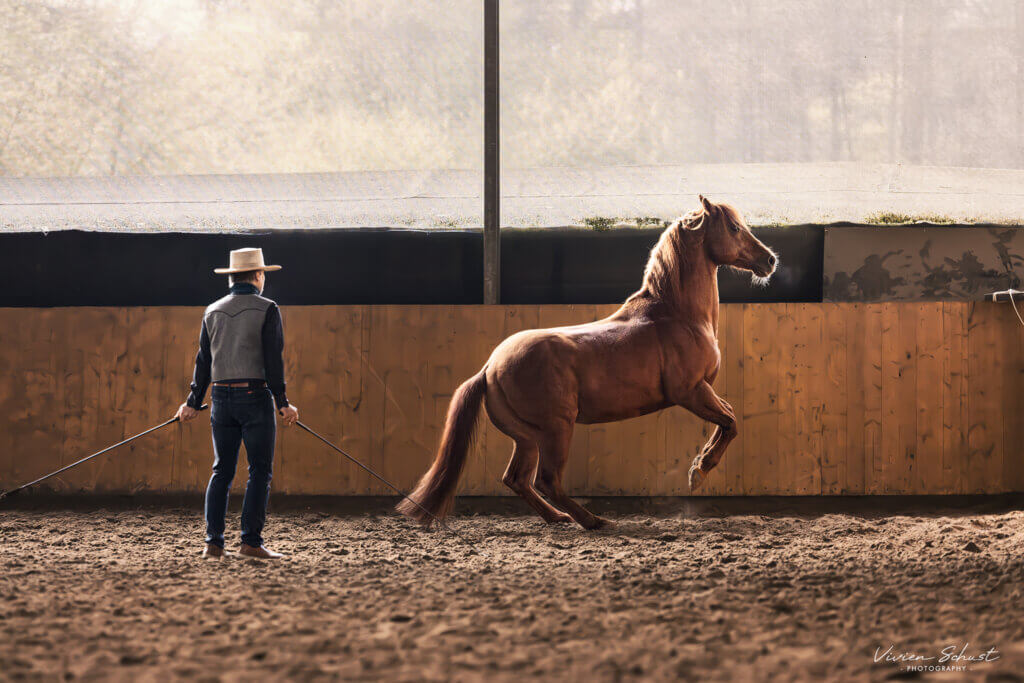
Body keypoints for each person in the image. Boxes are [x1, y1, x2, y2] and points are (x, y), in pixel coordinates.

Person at [175, 248, 298, 560]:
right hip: (255, 397)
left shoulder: (211, 311)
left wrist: (192, 402)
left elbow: (203, 361)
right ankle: (250, 543)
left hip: (220, 399)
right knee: (259, 471)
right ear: (258, 275)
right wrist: (283, 402)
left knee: (222, 471)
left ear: (231, 278)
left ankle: (213, 544)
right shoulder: (268, 308)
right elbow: (273, 361)